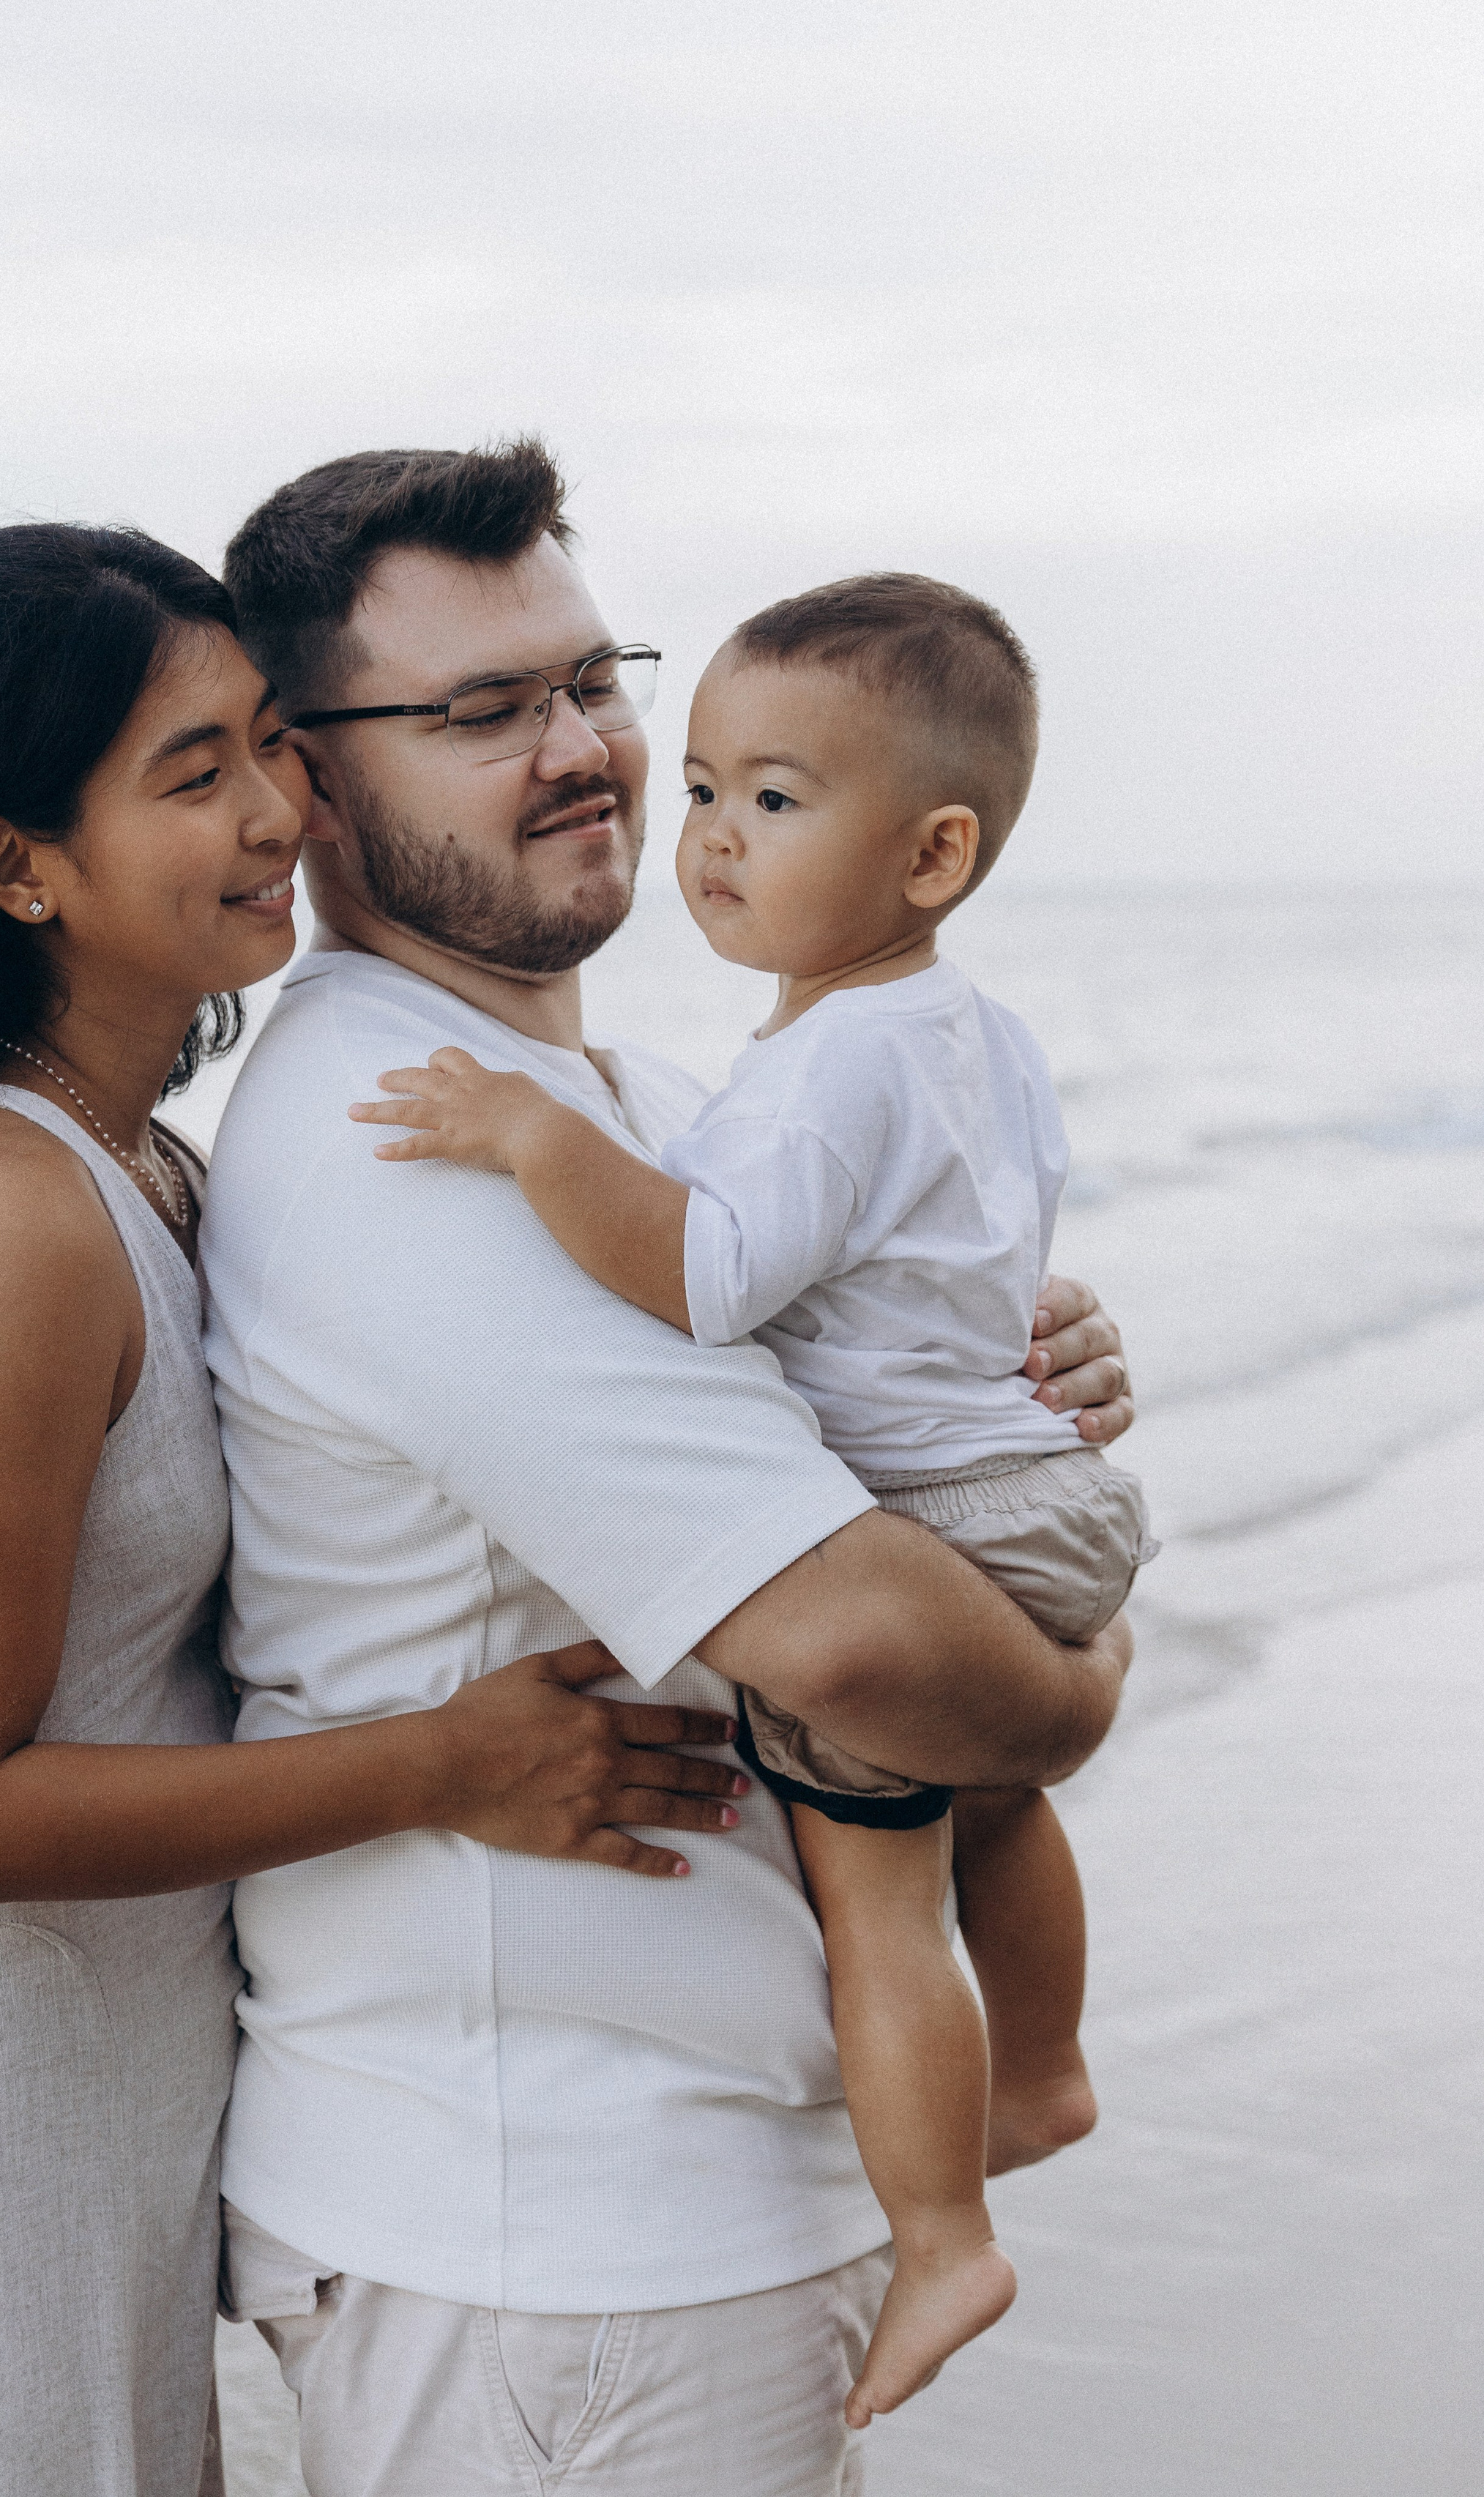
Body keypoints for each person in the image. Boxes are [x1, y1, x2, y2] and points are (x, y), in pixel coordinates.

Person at [0, 522, 746, 2497]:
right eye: (193, 773)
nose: (275, 811)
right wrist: (448, 1763)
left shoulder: (153, 1165)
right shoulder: (6, 1223)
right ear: (18, 866)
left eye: (267, 742)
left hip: (97, 2160)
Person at [202, 442, 1138, 2496]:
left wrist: (1016, 1372)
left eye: (588, 677)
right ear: (307, 780)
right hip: (564, 2248)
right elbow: (866, 1648)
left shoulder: (628, 1104)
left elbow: (880, 1372)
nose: (581, 750)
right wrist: (1078, 1679)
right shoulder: (409, 1139)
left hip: (654, 2230)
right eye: (482, 708)